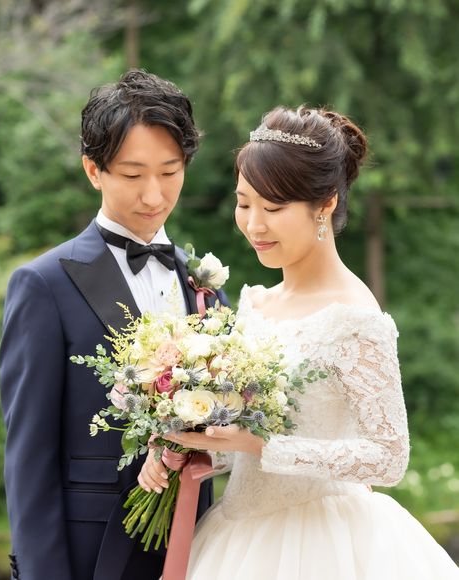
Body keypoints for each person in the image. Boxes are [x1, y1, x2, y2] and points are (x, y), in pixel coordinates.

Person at [138, 105, 459, 578]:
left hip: (321, 543)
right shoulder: (256, 303)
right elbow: (239, 441)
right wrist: (183, 440)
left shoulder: (353, 316)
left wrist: (264, 446)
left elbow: (389, 457)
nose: (254, 225)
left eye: (273, 208)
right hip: (236, 536)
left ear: (325, 204)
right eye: (244, 204)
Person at [0, 70, 227, 580]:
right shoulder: (43, 284)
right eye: (133, 174)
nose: (153, 195)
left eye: (169, 172)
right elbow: (29, 456)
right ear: (93, 170)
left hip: (198, 545)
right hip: (91, 552)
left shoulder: (205, 283)